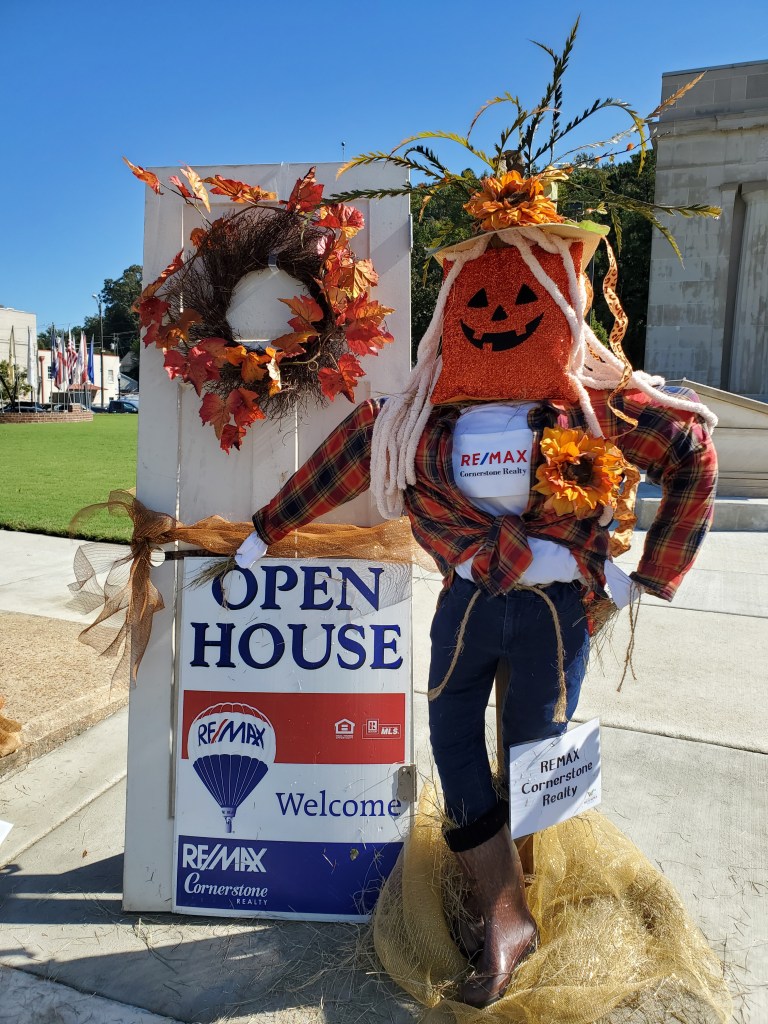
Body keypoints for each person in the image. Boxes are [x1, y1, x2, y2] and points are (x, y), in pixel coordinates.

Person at [236, 215, 718, 1008]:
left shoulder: (596, 410)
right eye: (480, 301)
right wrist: (265, 530)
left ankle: (519, 890)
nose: (498, 315)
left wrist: (648, 578)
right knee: (451, 737)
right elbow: (345, 459)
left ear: (561, 301)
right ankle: (502, 907)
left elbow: (693, 452)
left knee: (535, 751)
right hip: (465, 604)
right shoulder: (417, 421)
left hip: (553, 612)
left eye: (523, 298)